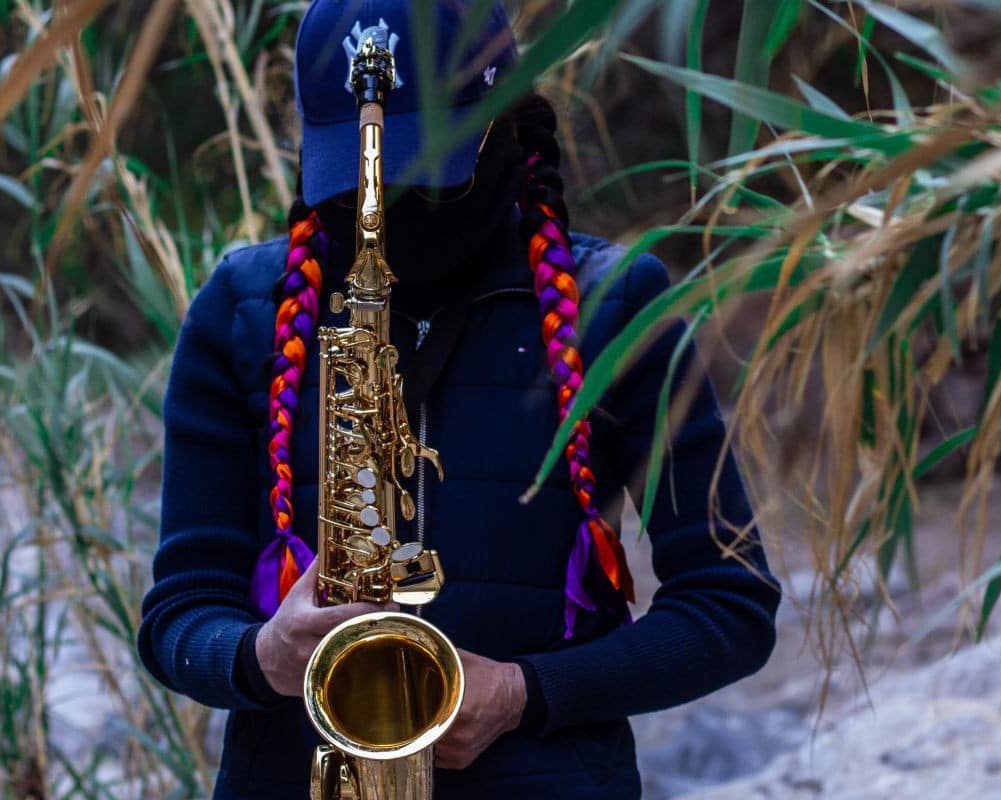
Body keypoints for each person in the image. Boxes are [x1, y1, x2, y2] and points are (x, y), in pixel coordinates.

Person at [137, 1, 779, 797]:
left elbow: (730, 607)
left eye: (424, 172)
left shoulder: (615, 305)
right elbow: (177, 615)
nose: (382, 208)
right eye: (357, 180)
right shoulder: (240, 310)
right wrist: (259, 654)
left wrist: (525, 694)